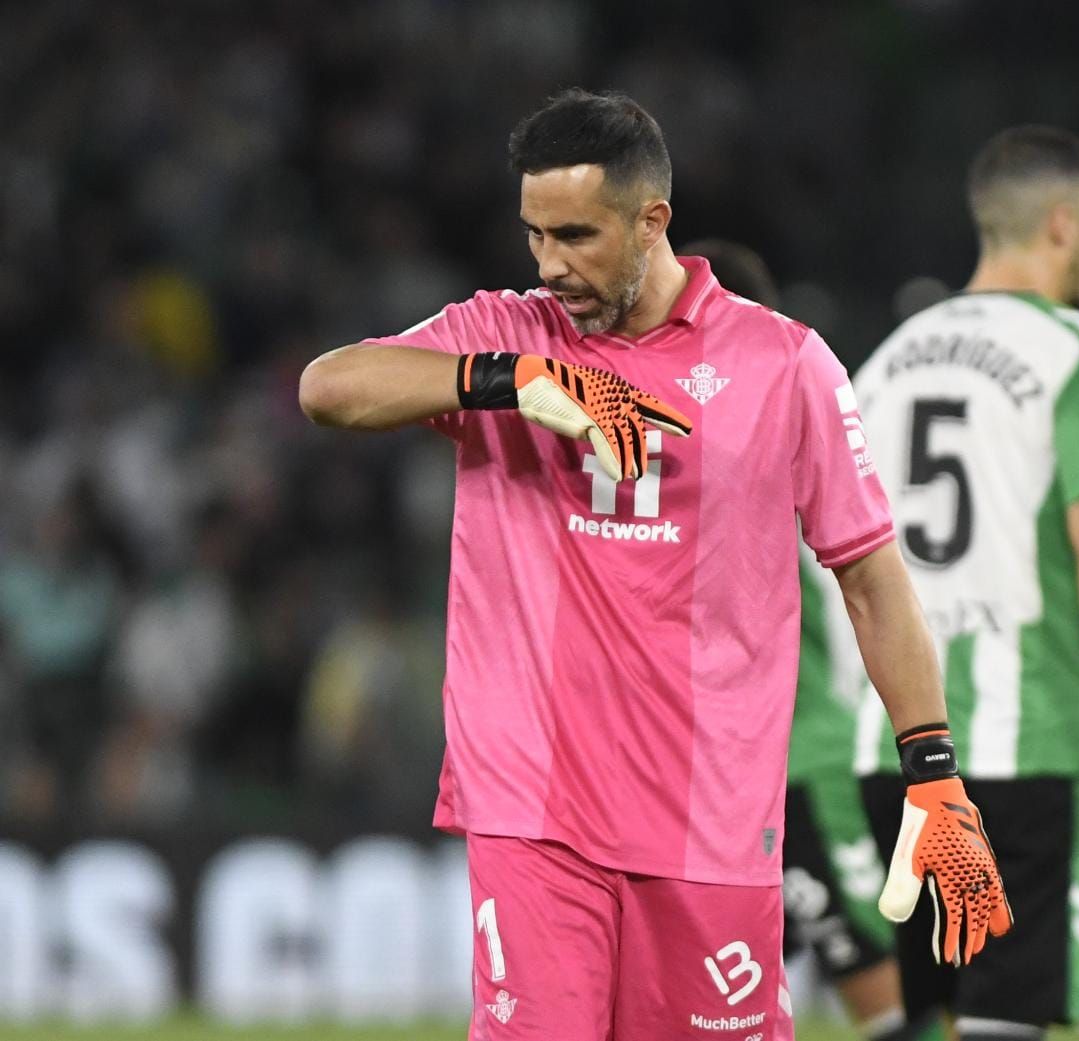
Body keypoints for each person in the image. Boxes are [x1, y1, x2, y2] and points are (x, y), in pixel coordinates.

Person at [297, 89, 1008, 1041]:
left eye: (578, 236)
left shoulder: (783, 365)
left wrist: (935, 771)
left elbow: (872, 578)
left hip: (710, 823)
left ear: (652, 220)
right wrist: (512, 379)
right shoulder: (510, 333)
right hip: (534, 809)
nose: (551, 265)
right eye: (535, 235)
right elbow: (329, 389)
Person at [852, 126, 1079, 1041]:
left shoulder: (882, 363)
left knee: (927, 1018)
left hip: (898, 749)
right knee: (1004, 1019)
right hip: (1028, 739)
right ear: (1063, 224)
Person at [684, 238, 930, 1041]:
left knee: (887, 1002)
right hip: (773, 769)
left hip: (808, 767)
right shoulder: (806, 426)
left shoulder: (747, 438)